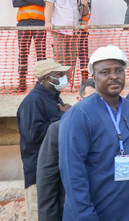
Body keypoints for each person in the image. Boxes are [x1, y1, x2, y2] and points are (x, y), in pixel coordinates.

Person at [59, 45, 129, 220]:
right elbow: (73, 175)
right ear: (93, 76)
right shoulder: (79, 115)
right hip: (101, 213)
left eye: (119, 70)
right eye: (105, 72)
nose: (114, 76)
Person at [16, 59, 70, 221]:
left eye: (63, 74)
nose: (63, 77)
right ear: (46, 78)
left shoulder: (54, 98)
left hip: (55, 171)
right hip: (39, 174)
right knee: (40, 214)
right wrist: (62, 116)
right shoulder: (33, 101)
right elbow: (34, 135)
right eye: (59, 74)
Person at [36, 79, 96, 221]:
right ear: (79, 99)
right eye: (89, 99)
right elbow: (47, 182)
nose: (94, 104)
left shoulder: (115, 126)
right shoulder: (59, 129)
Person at [13, 0, 47, 92]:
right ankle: (22, 83)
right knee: (23, 53)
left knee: (41, 53)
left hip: (39, 23)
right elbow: (15, 3)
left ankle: (42, 83)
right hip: (23, 23)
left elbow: (43, 2)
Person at [44, 0, 80, 87]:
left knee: (72, 58)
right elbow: (49, 5)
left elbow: (77, 9)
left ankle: (69, 83)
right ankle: (58, 83)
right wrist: (47, 21)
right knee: (60, 58)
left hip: (74, 30)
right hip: (59, 30)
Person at [71, 0, 92, 81]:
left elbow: (87, 15)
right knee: (69, 56)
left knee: (83, 57)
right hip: (69, 31)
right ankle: (68, 80)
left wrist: (85, 4)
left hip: (82, 31)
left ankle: (85, 80)